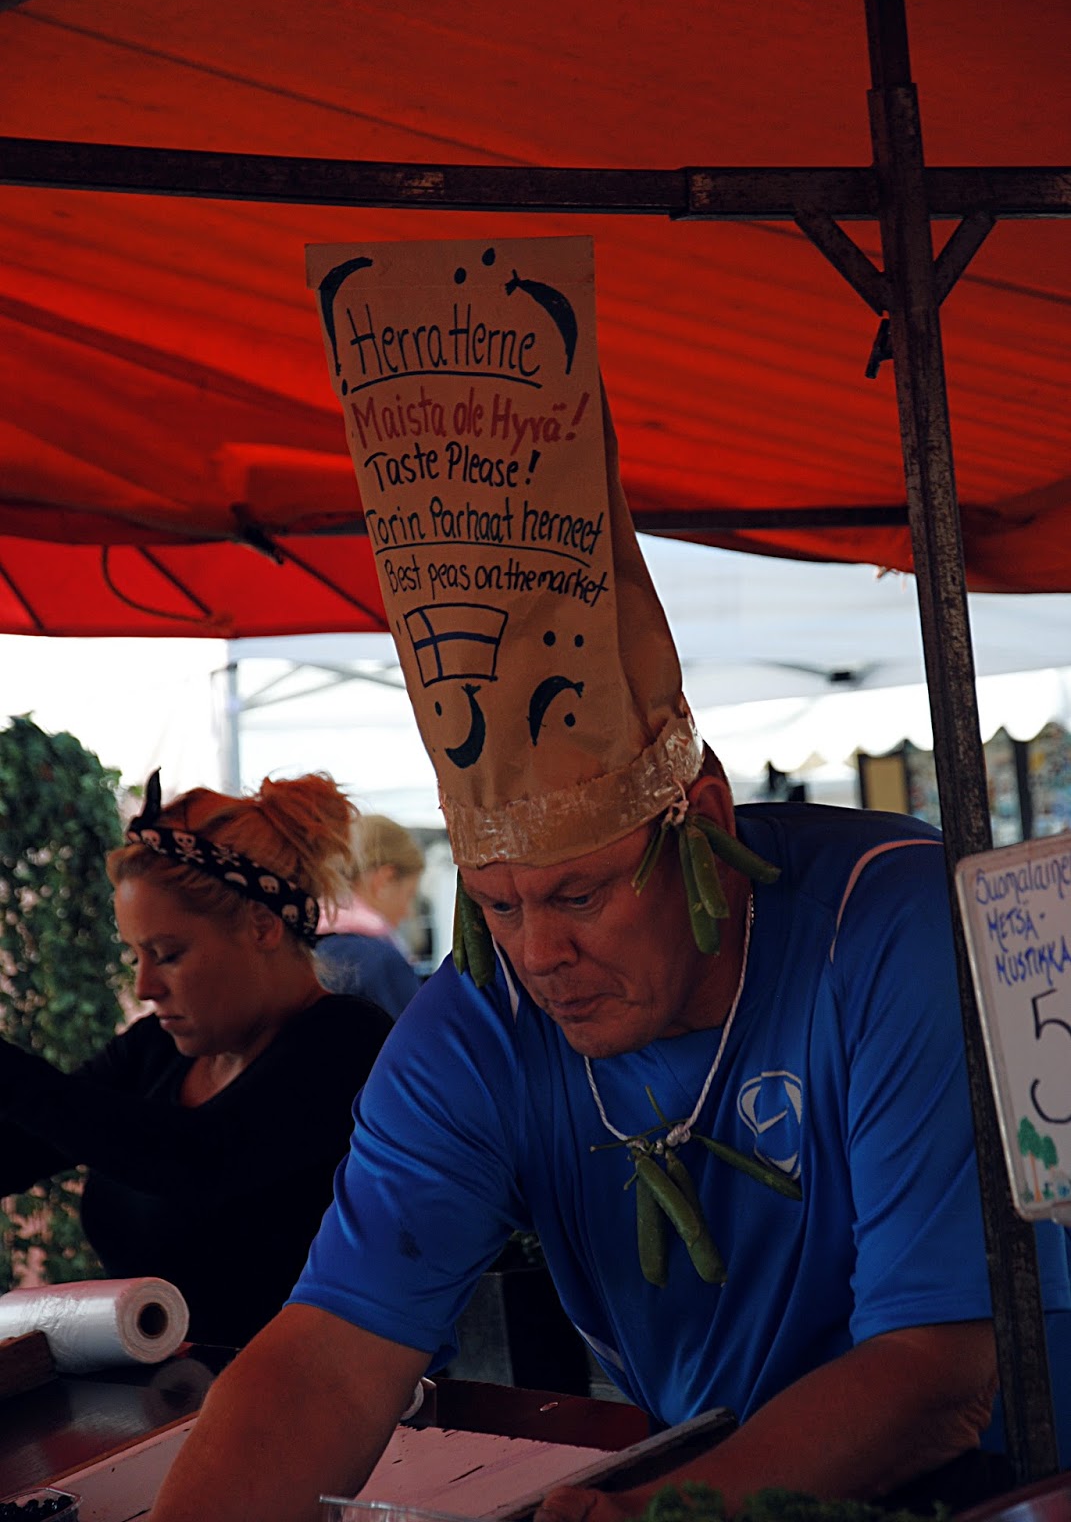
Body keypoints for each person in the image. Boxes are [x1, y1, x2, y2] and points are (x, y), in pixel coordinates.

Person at [146, 265, 1071, 1522]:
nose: (540, 953)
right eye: (498, 903)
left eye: (579, 893)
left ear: (704, 822)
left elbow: (937, 1375)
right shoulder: (475, 1028)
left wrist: (658, 1515)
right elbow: (332, 1353)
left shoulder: (895, 928)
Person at [0, 770, 393, 1349]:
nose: (145, 987)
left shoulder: (346, 1043)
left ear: (262, 926)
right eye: (136, 957)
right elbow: (23, 1145)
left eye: (167, 954)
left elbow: (202, 1158)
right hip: (155, 1389)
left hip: (309, 1391)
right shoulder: (155, 1050)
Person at [315, 813, 425, 1021]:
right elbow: (418, 1038)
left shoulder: (305, 947)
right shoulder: (382, 962)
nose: (408, 913)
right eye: (410, 895)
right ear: (384, 880)